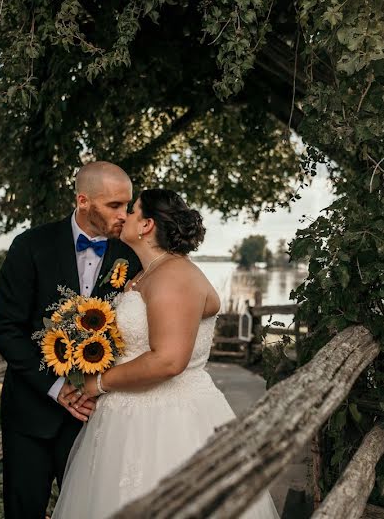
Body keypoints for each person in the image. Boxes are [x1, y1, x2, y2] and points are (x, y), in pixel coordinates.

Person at [52, 188, 279, 519]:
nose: (123, 216)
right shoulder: (146, 274)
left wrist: (97, 383)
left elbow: (169, 360)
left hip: (168, 422)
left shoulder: (174, 275)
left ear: (145, 225)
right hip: (124, 417)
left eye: (131, 212)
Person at [0, 161, 142, 519]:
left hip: (98, 416)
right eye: (114, 205)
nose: (124, 214)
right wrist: (58, 388)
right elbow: (6, 328)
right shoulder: (30, 246)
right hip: (31, 413)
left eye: (128, 205)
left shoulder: (131, 256)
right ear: (83, 201)